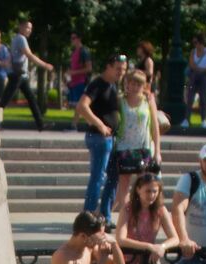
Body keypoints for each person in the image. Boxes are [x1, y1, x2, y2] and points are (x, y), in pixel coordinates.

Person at [77, 53, 127, 227]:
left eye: (124, 69)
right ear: (109, 66)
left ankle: (105, 215)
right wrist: (100, 125)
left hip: (111, 139)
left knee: (113, 177)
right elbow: (82, 106)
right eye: (118, 69)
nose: (121, 72)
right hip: (99, 138)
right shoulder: (97, 84)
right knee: (98, 177)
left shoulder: (113, 85)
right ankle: (89, 216)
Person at [110, 68, 162, 219]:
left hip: (143, 146)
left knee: (144, 182)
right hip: (124, 146)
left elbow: (154, 127)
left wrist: (157, 150)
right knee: (124, 185)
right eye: (131, 83)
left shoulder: (148, 101)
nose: (134, 87)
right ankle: (125, 216)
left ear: (144, 85)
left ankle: (142, 214)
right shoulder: (121, 100)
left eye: (138, 84)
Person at [0, 20, 54, 132]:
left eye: (31, 28)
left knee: (31, 99)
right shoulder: (21, 39)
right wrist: (44, 65)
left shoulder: (16, 38)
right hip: (17, 75)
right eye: (28, 27)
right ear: (21, 27)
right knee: (5, 99)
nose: (30, 30)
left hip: (21, 75)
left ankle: (40, 124)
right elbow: (29, 54)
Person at [182, 33, 206, 129]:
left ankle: (203, 120)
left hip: (203, 76)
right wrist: (199, 68)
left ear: (201, 42)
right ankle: (187, 119)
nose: (195, 45)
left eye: (196, 42)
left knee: (203, 99)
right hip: (194, 76)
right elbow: (191, 64)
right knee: (190, 98)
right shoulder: (193, 52)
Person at [66, 33, 93, 126]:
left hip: (82, 81)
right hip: (75, 82)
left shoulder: (84, 51)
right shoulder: (74, 52)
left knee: (80, 105)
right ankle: (92, 125)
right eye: (71, 38)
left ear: (79, 39)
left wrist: (74, 73)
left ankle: (74, 125)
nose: (72, 40)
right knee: (78, 105)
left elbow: (89, 68)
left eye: (74, 38)